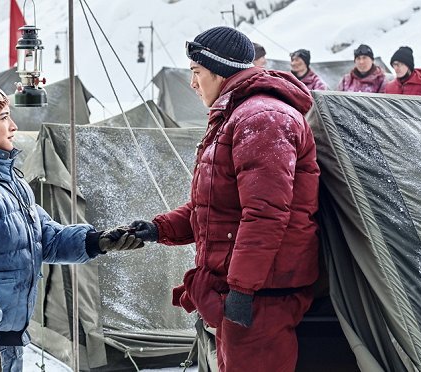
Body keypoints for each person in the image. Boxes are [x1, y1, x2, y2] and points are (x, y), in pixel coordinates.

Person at [129, 26, 320, 372]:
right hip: (243, 287)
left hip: (262, 293)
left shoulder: (262, 119)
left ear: (220, 71)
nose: (192, 84)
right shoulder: (238, 115)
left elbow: (265, 214)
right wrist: (158, 229)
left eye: (196, 73)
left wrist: (243, 292)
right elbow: (216, 206)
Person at [0, 83, 143, 372]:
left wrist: (97, 241)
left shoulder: (8, 183)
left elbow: (43, 238)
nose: (13, 126)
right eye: (2, 117)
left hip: (6, 340)